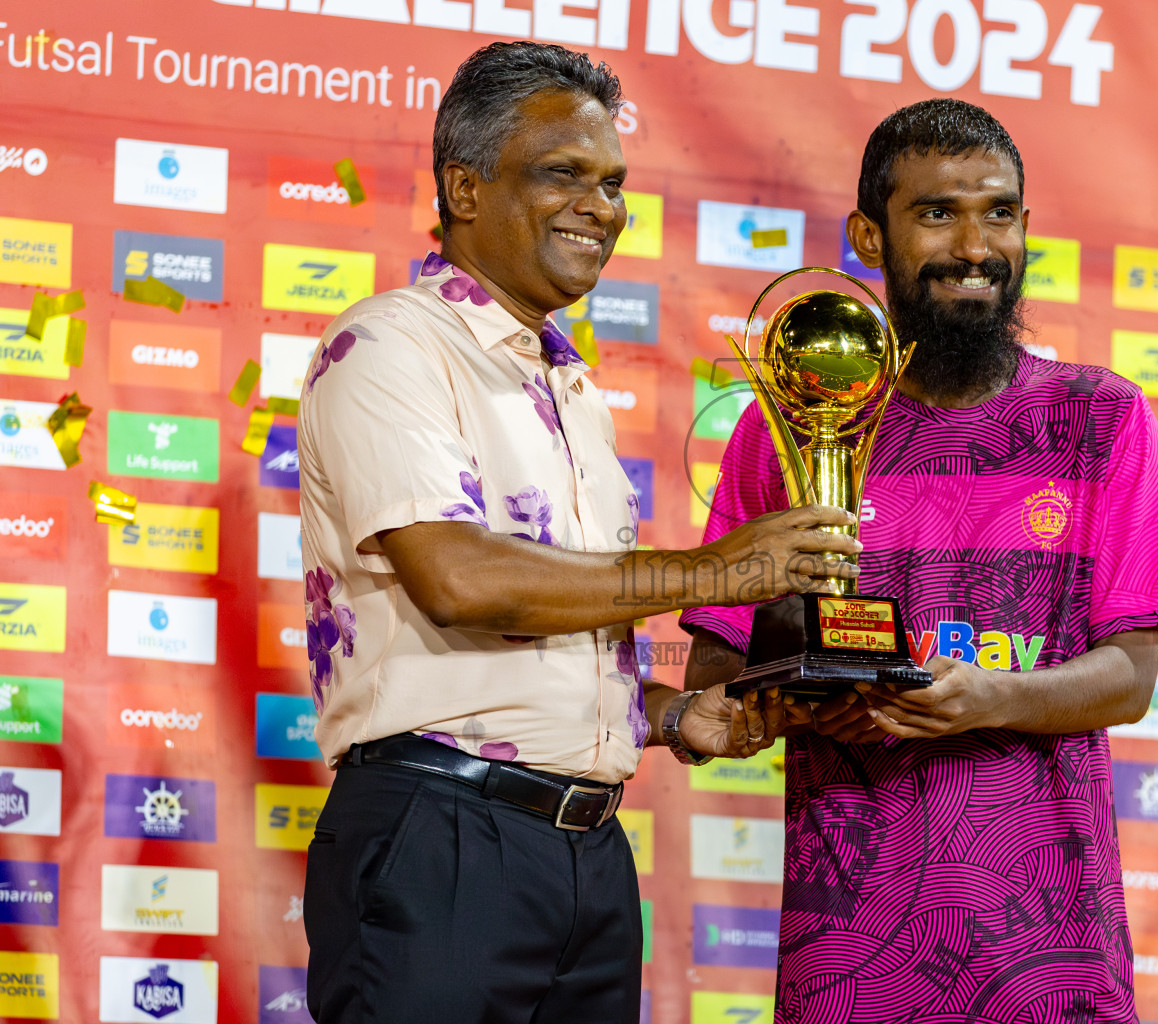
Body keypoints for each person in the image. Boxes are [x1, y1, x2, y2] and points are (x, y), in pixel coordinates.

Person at [298, 41, 856, 1024]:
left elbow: (549, 635)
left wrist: (676, 715)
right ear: (465, 189)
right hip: (443, 841)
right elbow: (460, 581)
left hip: (589, 856)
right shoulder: (389, 345)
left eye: (613, 182)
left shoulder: (568, 388)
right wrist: (715, 569)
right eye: (565, 175)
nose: (601, 206)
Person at [681, 98, 1158, 1023]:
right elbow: (719, 666)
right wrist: (798, 698)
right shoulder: (785, 428)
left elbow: (1129, 679)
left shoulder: (1100, 420)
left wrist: (991, 696)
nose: (974, 245)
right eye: (937, 213)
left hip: (1053, 959)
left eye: (998, 212)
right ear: (867, 237)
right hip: (850, 957)